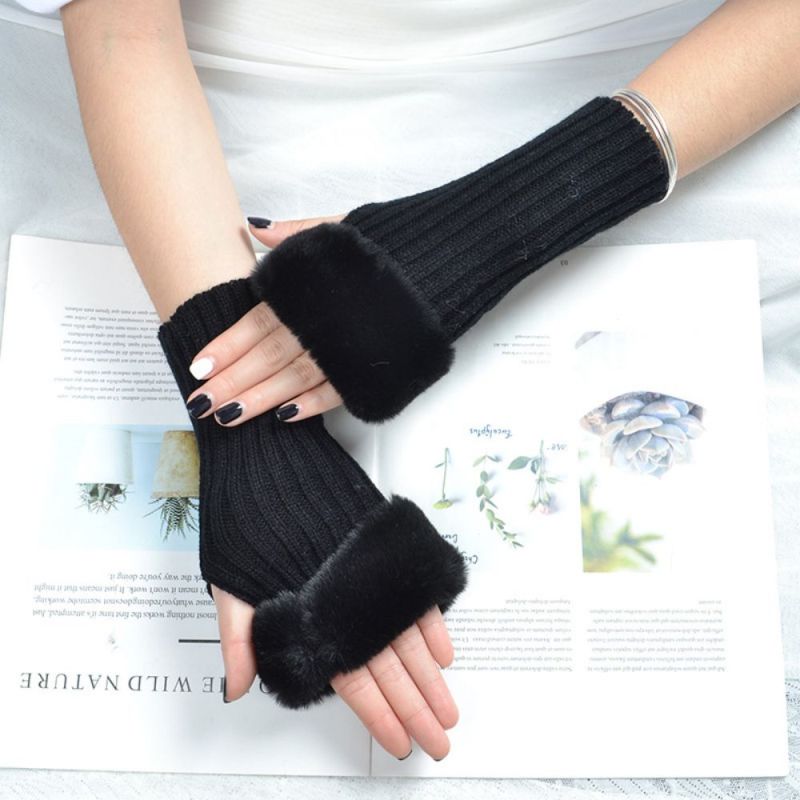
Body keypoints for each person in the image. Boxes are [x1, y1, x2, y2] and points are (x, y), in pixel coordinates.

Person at [13, 0, 798, 762]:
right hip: (193, 156)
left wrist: (497, 225)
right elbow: (120, 25)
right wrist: (246, 421)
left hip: (700, 100)